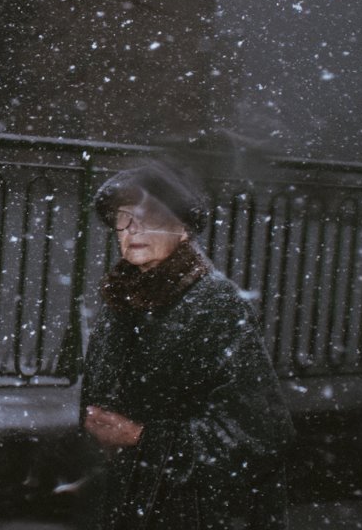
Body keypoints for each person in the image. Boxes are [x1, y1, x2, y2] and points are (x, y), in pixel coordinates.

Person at [79, 160, 294, 530]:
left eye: (151, 217)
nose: (133, 229)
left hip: (192, 510)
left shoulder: (215, 304)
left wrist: (141, 437)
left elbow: (260, 434)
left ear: (183, 229)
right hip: (125, 503)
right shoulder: (123, 298)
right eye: (124, 217)